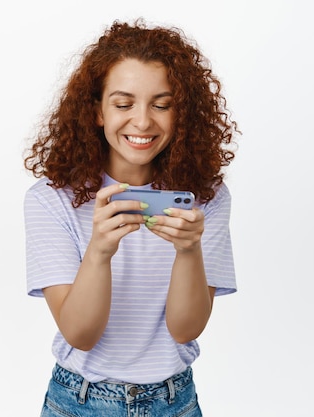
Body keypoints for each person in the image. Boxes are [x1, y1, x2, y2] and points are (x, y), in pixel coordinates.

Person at [23, 18, 239, 416]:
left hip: (174, 401)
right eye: (124, 104)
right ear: (98, 111)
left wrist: (188, 251)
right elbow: (80, 334)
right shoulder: (51, 201)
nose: (142, 121)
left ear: (182, 114)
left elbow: (185, 329)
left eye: (162, 105)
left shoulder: (204, 199)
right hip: (79, 402)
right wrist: (100, 251)